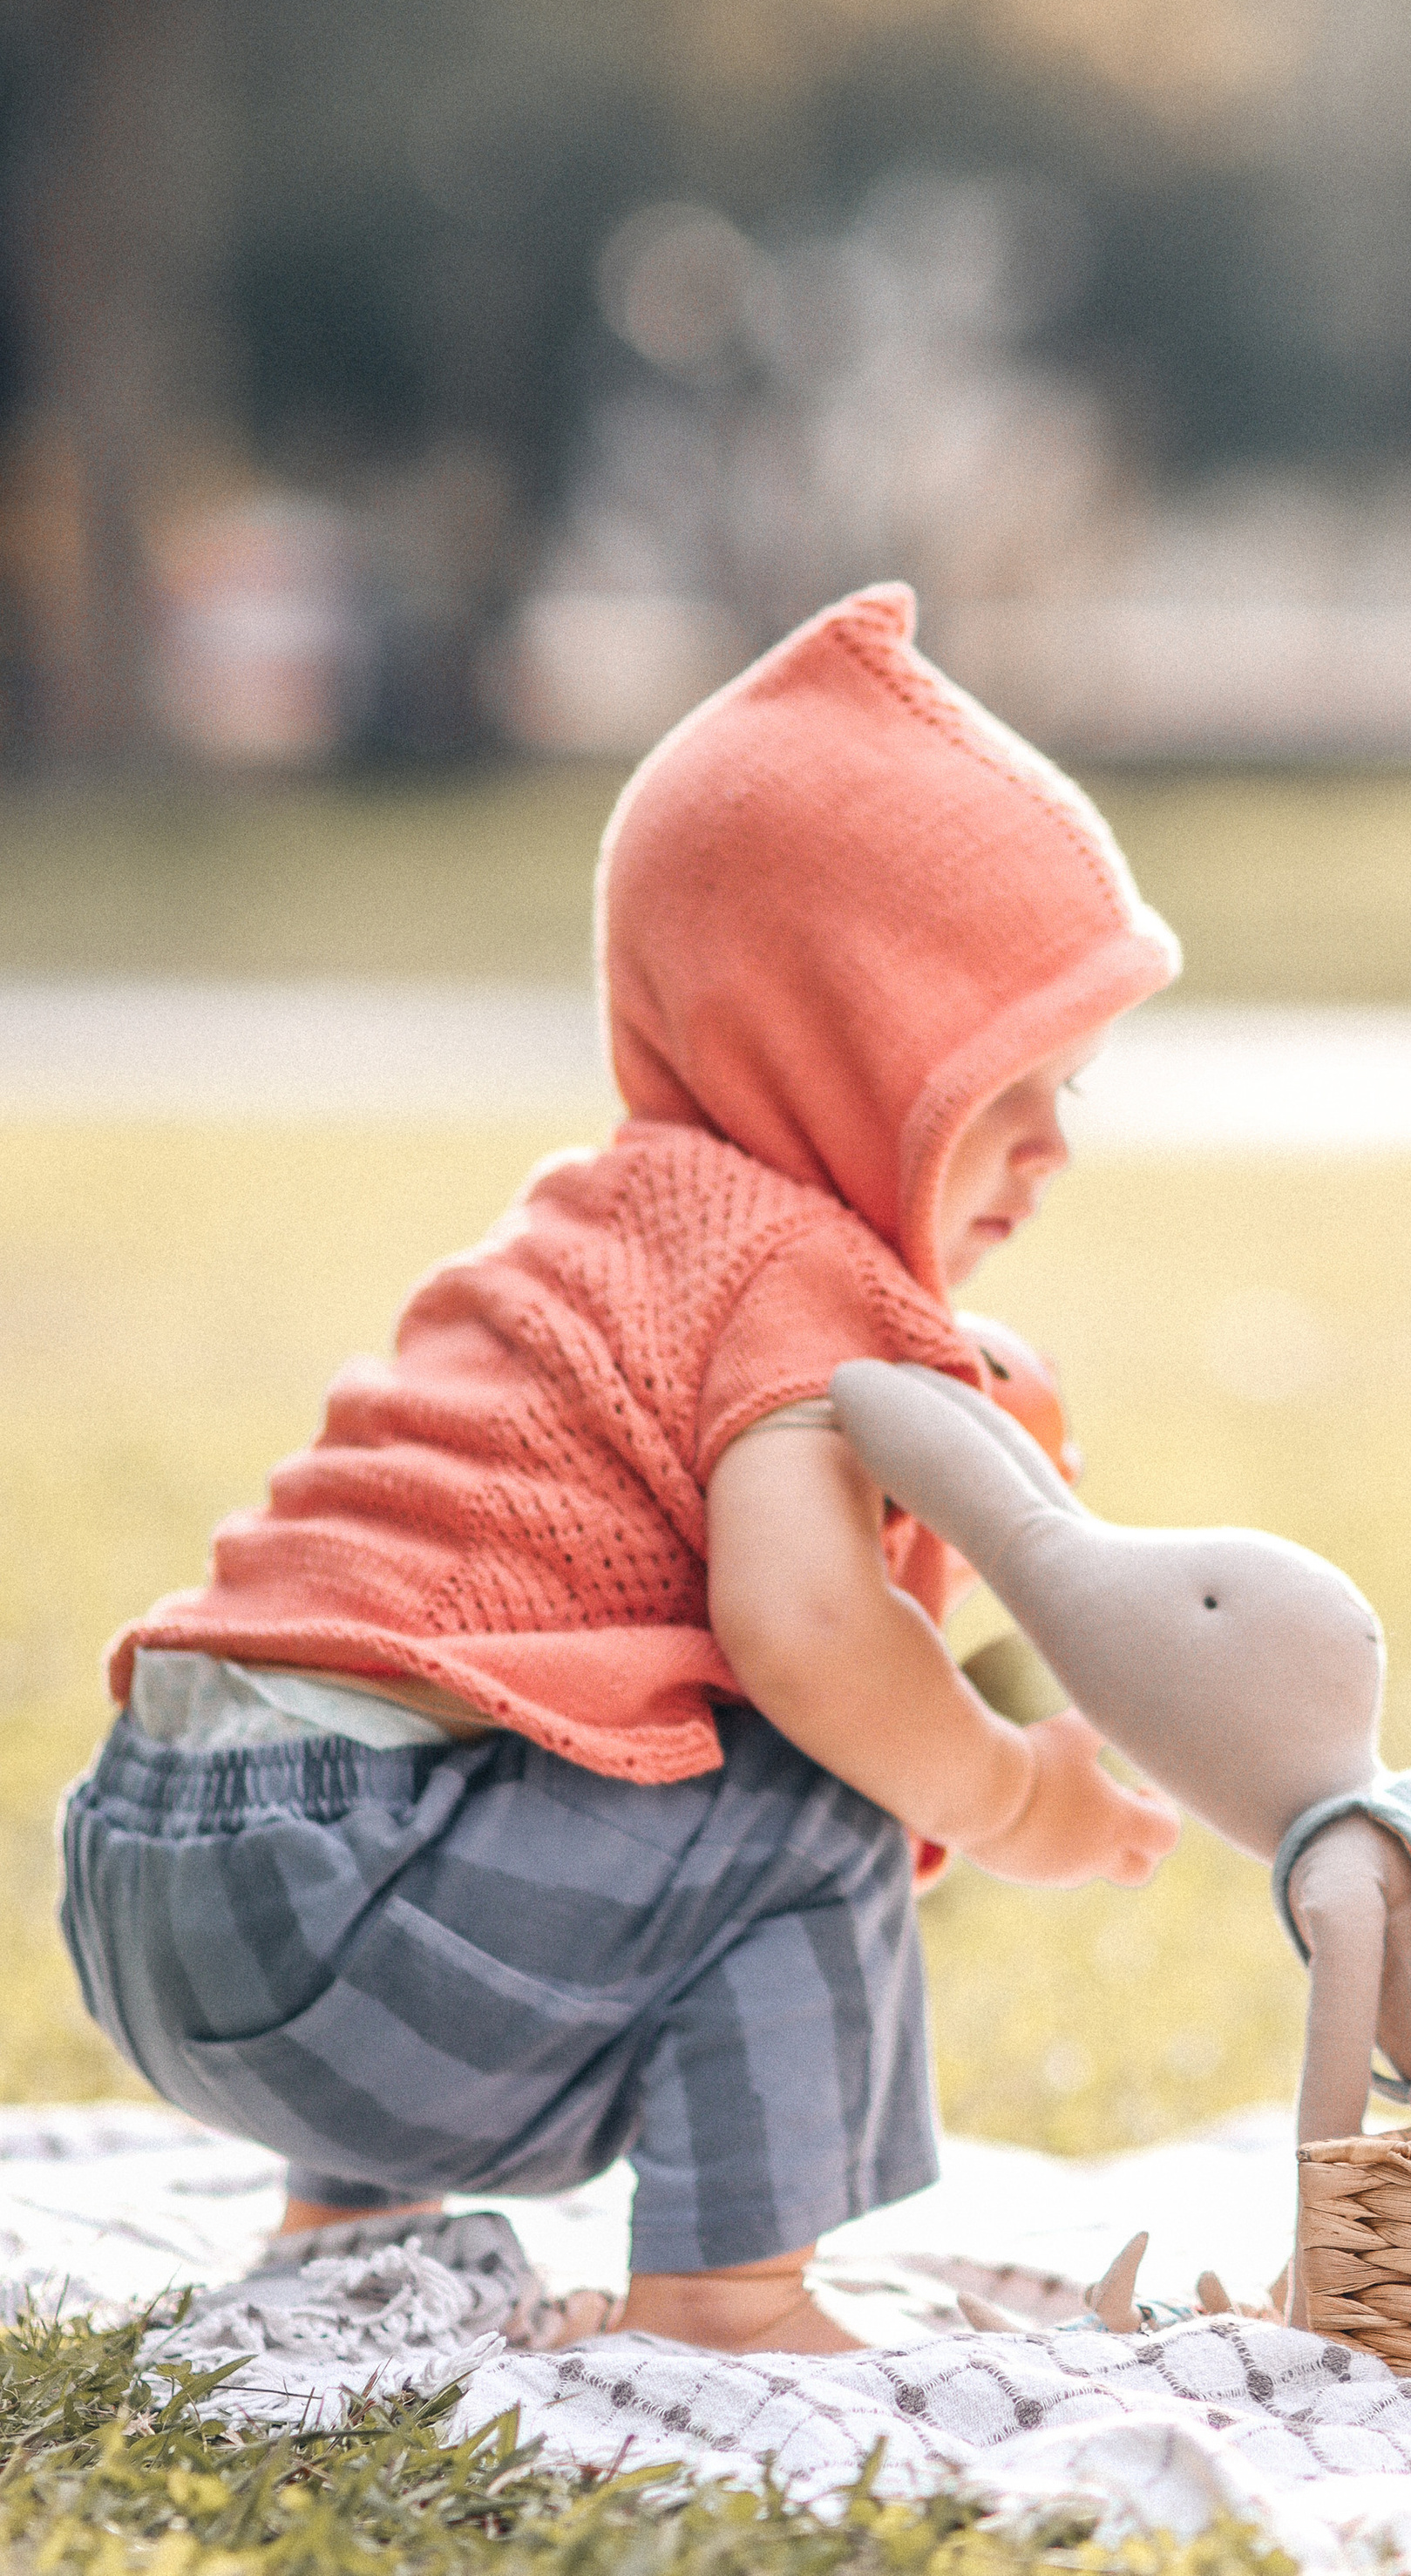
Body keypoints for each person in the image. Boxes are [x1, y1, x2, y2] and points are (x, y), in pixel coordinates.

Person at [58, 583, 1182, 2356]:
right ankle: (730, 2298)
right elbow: (810, 1637)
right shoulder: (798, 1270)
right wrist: (1009, 1793)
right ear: (833, 1045)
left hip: (148, 1877)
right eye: (1004, 1086)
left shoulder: (603, 1215)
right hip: (342, 1924)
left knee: (578, 1731)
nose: (1054, 1150)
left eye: (1078, 1088)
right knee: (828, 1773)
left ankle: (349, 2211)